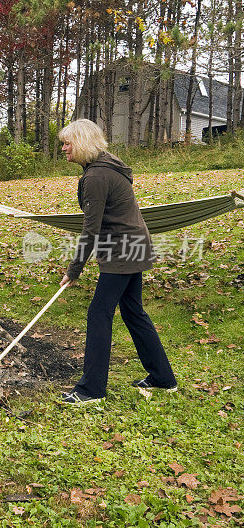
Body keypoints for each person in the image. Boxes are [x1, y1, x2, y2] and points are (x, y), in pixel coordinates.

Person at [58, 119, 177, 405]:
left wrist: (74, 269)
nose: (63, 148)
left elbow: (90, 228)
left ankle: (91, 390)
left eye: (67, 142)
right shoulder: (108, 165)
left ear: (83, 143)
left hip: (122, 250)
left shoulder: (97, 176)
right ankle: (162, 378)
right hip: (133, 244)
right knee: (134, 311)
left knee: (99, 314)